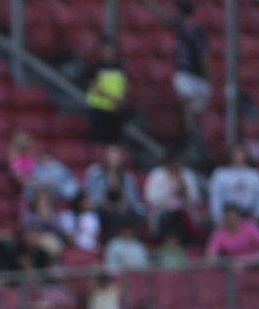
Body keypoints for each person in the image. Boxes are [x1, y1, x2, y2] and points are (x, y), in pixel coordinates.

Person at [142, 0, 209, 143]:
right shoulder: (179, 26)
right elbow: (163, 16)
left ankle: (195, 134)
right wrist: (148, 4)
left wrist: (208, 76)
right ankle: (191, 132)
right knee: (187, 99)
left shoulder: (197, 32)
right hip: (184, 72)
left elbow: (204, 56)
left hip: (198, 76)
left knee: (196, 109)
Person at [84, 37, 129, 145]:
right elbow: (93, 87)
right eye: (106, 49)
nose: (108, 52)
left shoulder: (120, 67)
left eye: (111, 49)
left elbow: (125, 86)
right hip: (99, 110)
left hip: (116, 111)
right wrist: (113, 98)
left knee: (114, 142)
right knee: (100, 142)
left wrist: (121, 102)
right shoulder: (95, 67)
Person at [209, 145, 259, 225]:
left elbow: (258, 197)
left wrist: (256, 215)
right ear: (231, 156)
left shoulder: (254, 175)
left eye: (240, 155)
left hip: (249, 215)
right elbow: (216, 197)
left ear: (246, 156)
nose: (238, 158)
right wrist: (218, 218)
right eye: (236, 155)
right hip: (228, 216)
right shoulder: (220, 174)